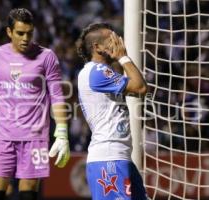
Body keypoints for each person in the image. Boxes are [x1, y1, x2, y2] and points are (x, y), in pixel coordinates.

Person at [0, 8, 70, 200]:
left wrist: (62, 132)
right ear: (9, 32)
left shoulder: (46, 57)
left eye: (29, 33)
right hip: (2, 136)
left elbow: (57, 96)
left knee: (27, 197)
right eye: (20, 33)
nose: (25, 38)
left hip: (35, 138)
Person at [76, 22, 148, 199]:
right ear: (97, 47)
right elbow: (140, 87)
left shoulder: (102, 72)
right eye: (111, 39)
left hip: (119, 155)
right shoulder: (97, 71)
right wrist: (123, 57)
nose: (118, 42)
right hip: (109, 157)